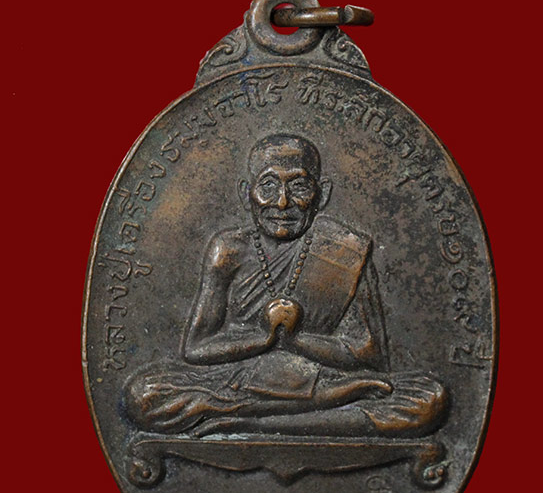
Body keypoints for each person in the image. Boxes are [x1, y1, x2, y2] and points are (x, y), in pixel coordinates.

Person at [125, 134, 446, 437]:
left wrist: (295, 339)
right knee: (144, 395)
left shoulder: (345, 250)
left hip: (318, 373)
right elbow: (196, 348)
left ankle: (246, 420)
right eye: (268, 185)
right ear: (246, 192)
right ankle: (320, 409)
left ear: (322, 194)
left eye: (299, 186)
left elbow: (368, 355)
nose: (282, 202)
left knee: (429, 400)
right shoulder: (228, 249)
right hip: (241, 377)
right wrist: (264, 338)